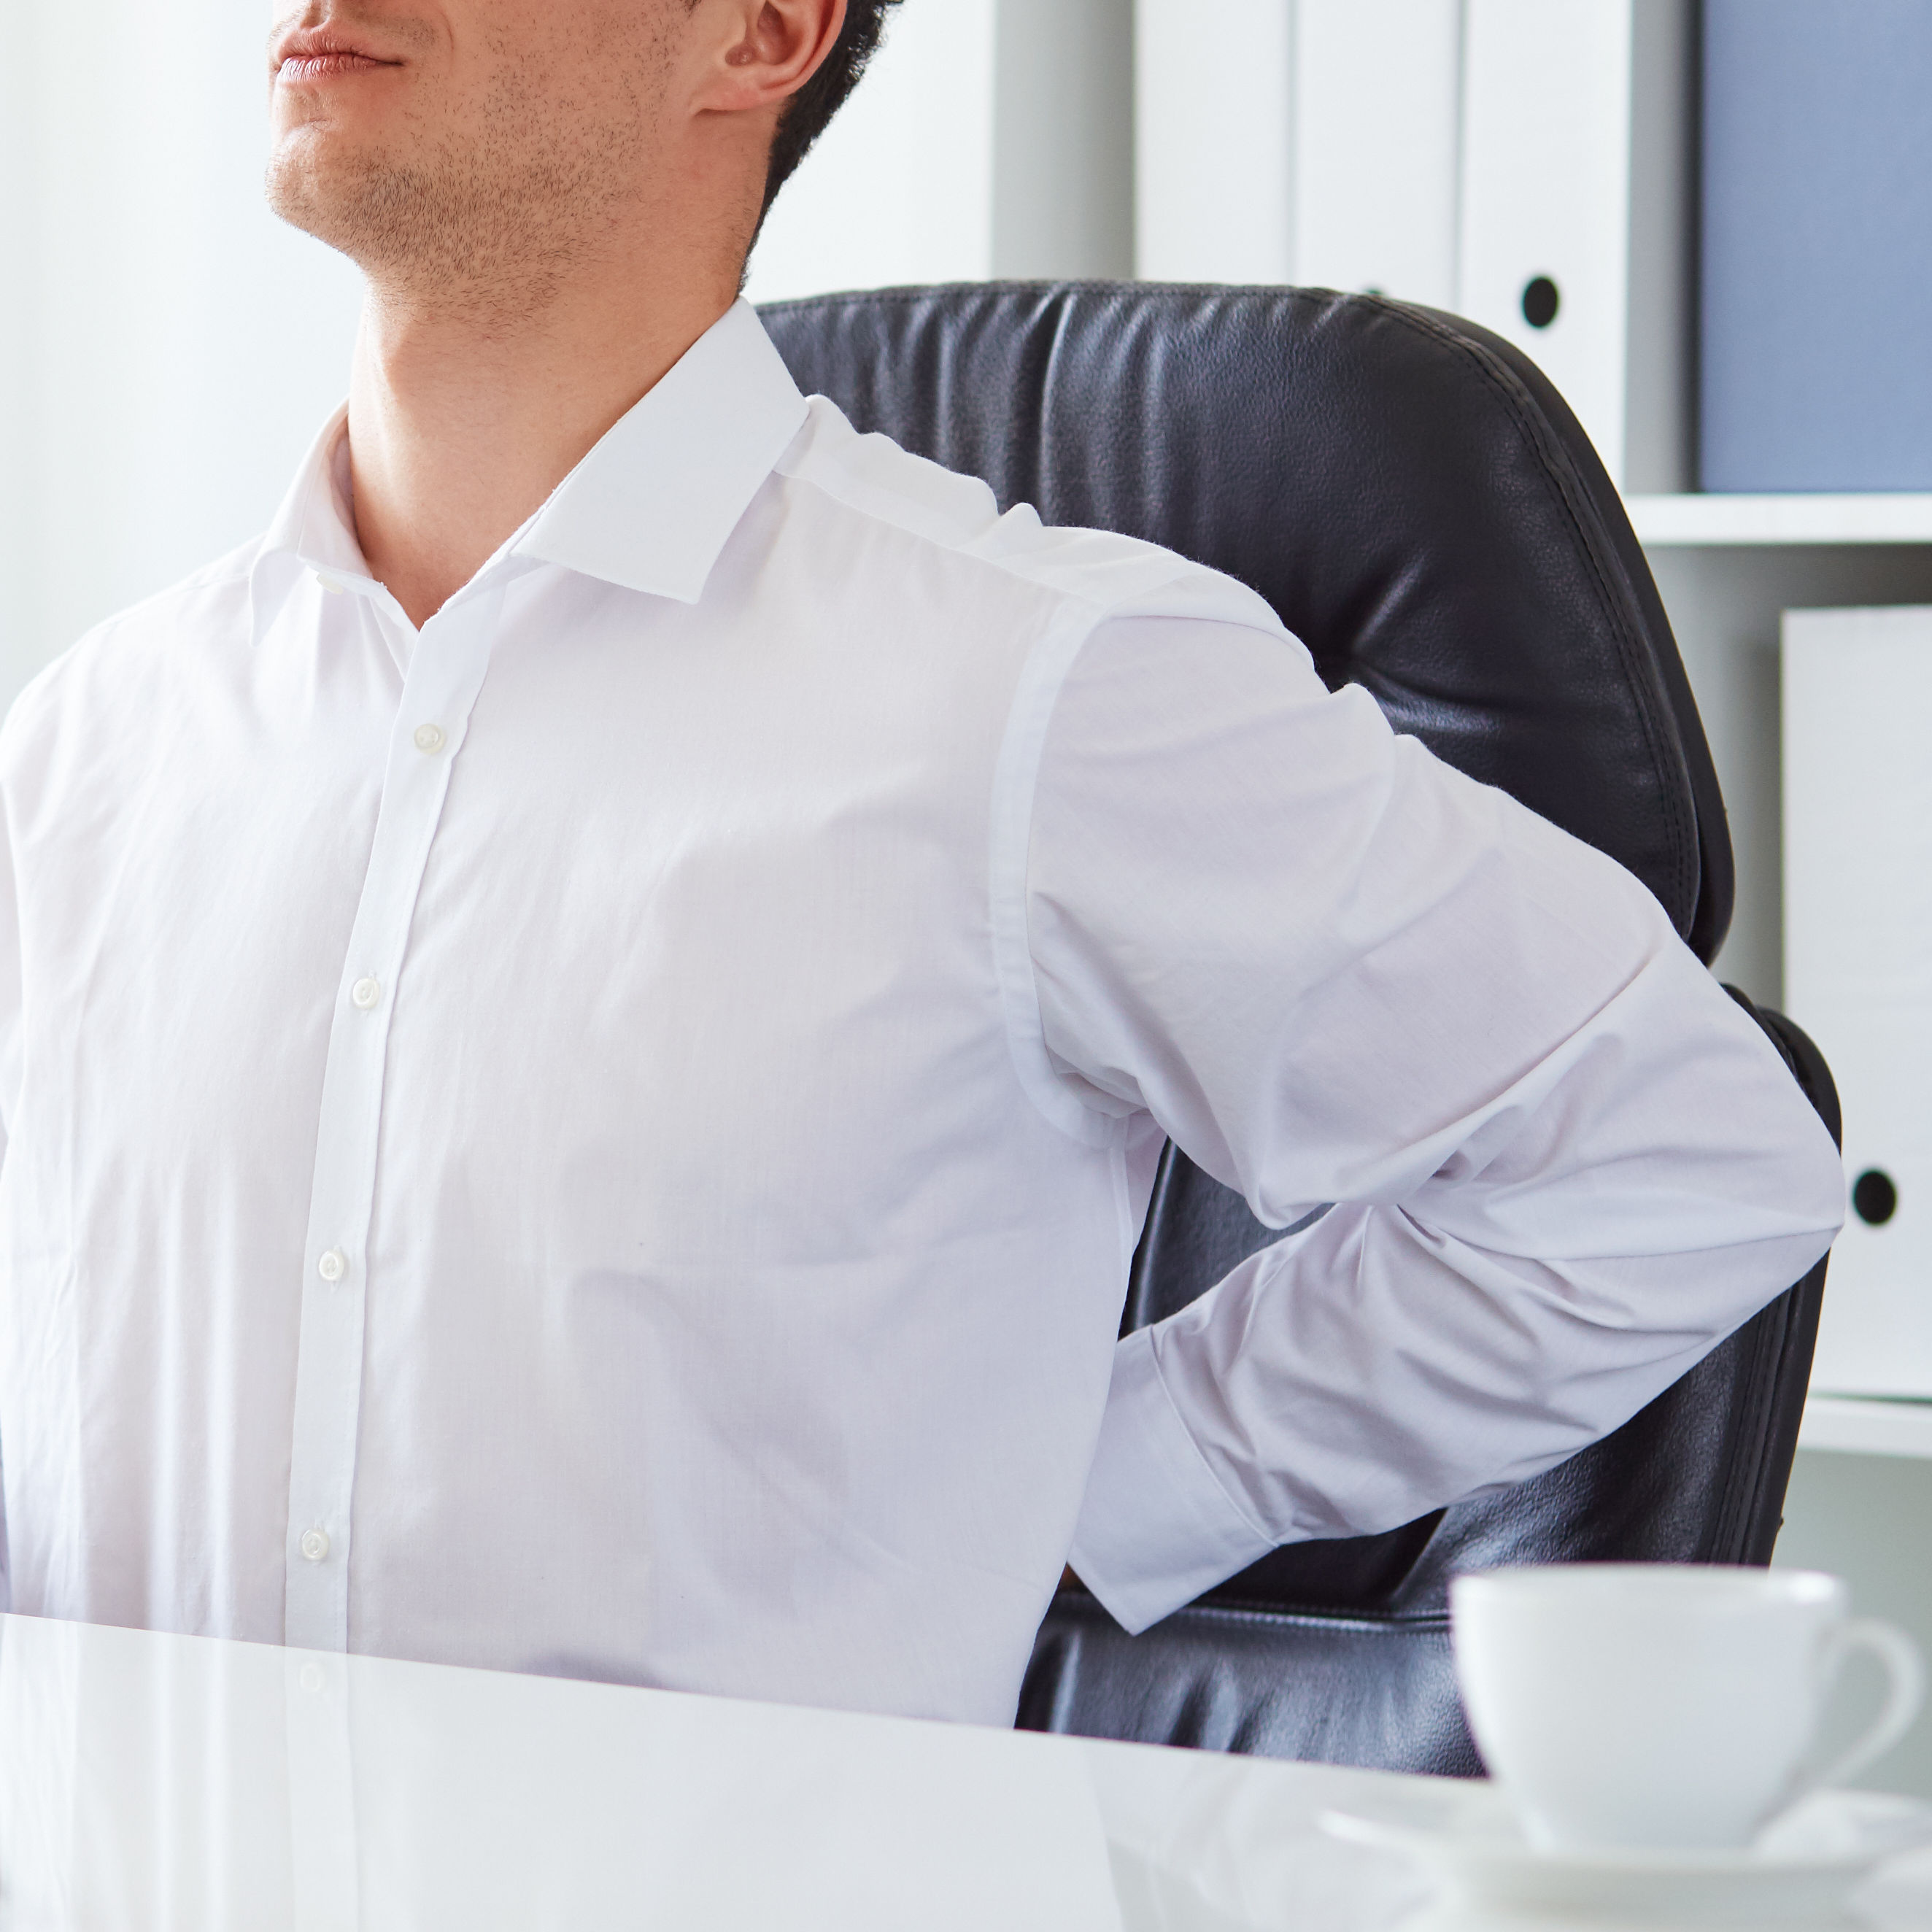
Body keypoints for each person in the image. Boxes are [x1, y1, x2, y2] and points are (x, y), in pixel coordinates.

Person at [0, 0, 1840, 1727]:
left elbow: (1685, 1155)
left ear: (762, 29)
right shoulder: (88, 745)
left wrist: (1085, 1485)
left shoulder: (1031, 683)